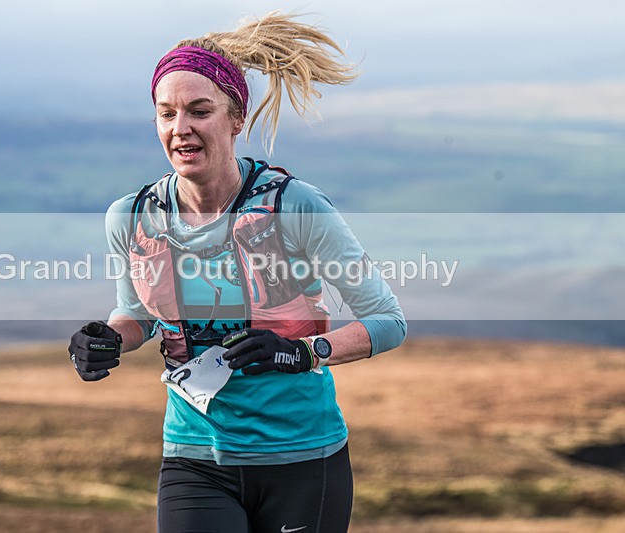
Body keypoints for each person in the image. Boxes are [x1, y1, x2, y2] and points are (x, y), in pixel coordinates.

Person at [68, 12, 406, 533]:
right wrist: (106, 338)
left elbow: (387, 320)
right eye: (166, 114)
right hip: (194, 458)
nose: (181, 128)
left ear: (235, 119)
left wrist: (304, 351)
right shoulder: (133, 216)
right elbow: (136, 314)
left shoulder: (295, 208)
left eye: (199, 111)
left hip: (301, 459)